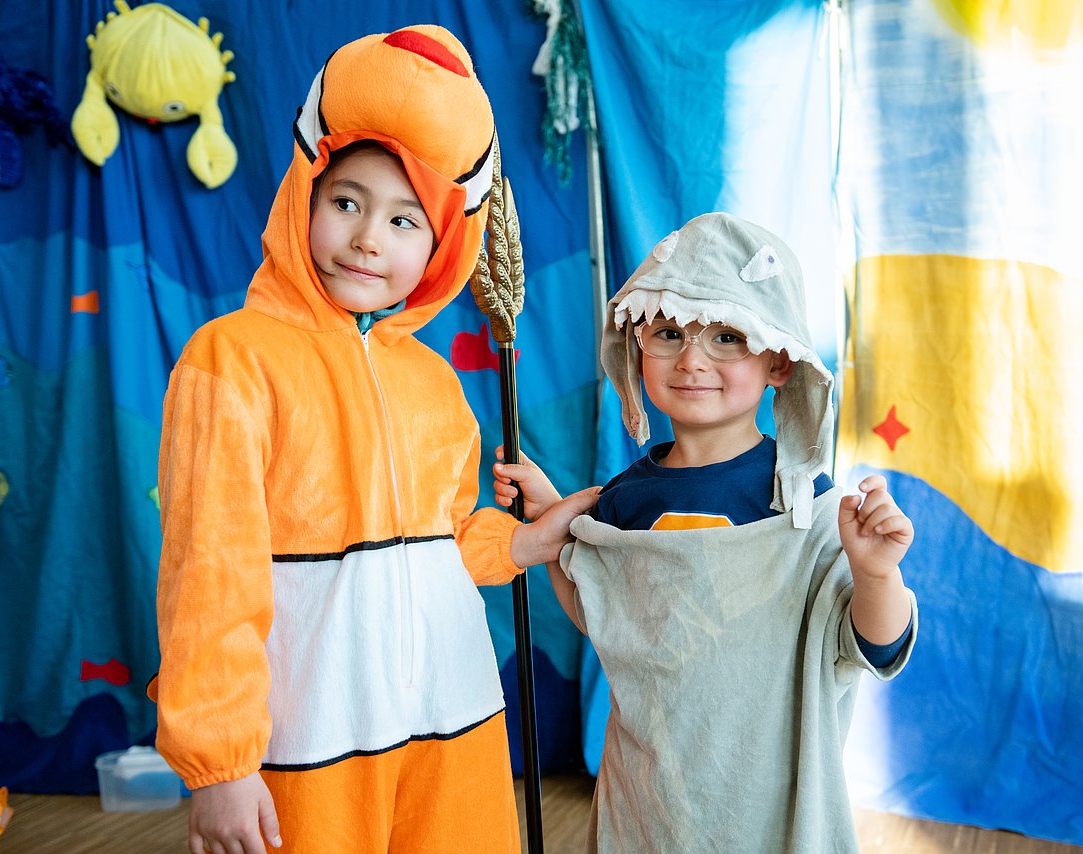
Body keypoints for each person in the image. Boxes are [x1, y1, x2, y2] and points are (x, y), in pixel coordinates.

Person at [148, 27, 596, 854]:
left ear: (439, 249)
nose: (367, 239)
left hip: (450, 718)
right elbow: (207, 574)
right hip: (314, 738)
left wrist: (529, 540)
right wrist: (220, 762)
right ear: (304, 196)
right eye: (347, 202)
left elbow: (442, 547)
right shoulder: (232, 360)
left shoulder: (434, 382)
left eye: (404, 220)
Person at [494, 212, 918, 853]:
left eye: (727, 336)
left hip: (761, 800)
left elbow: (875, 648)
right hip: (650, 795)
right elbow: (602, 615)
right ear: (638, 347)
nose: (692, 360)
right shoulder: (626, 498)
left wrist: (876, 573)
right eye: (668, 333)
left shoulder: (804, 505)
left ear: (779, 362)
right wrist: (555, 522)